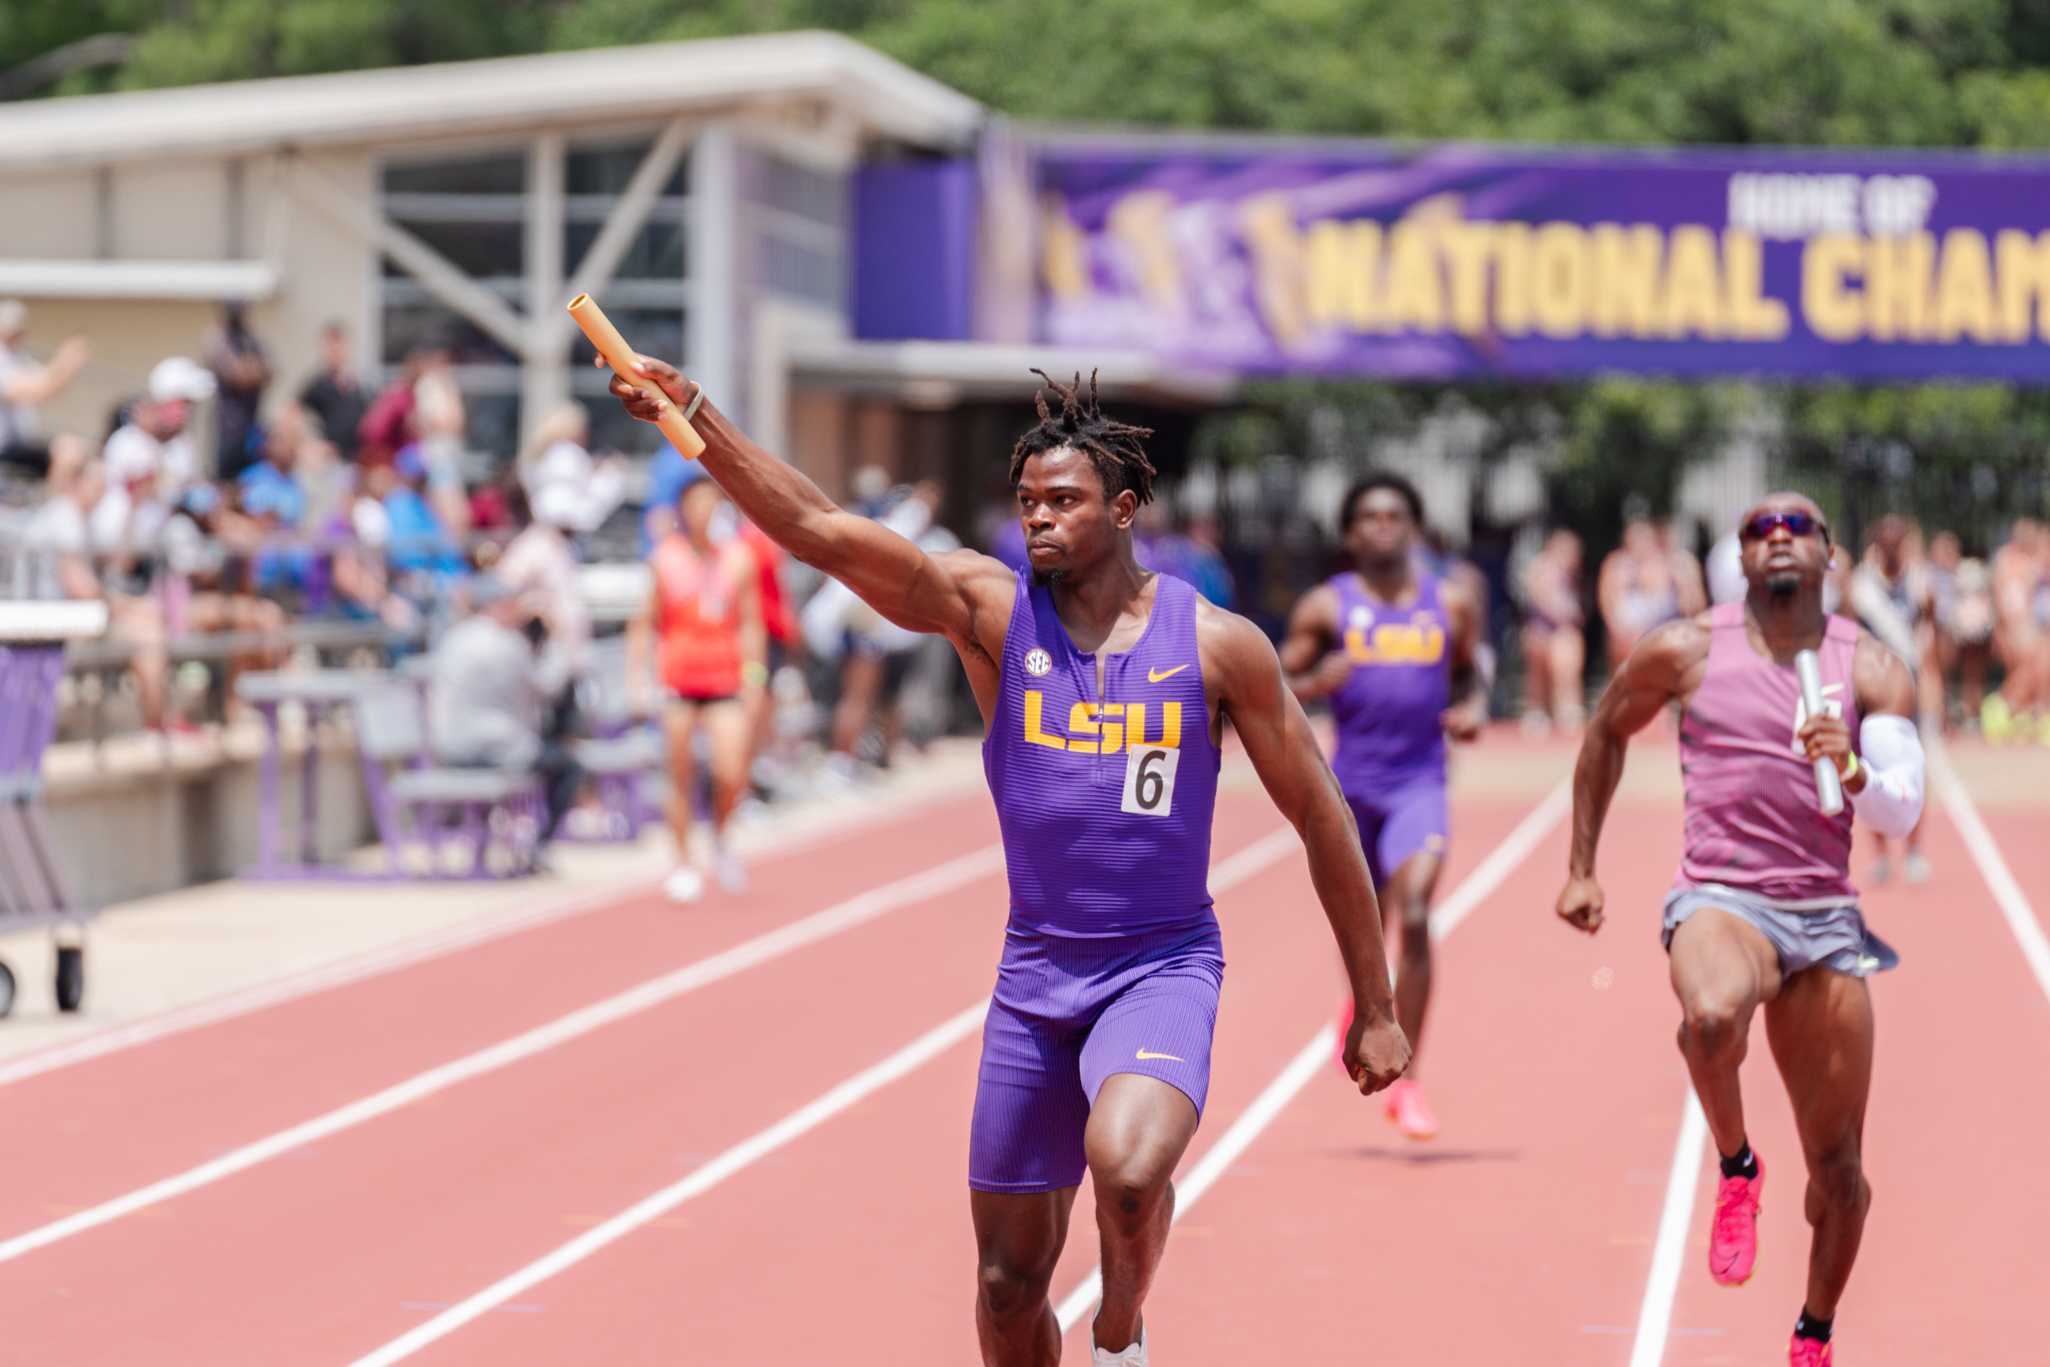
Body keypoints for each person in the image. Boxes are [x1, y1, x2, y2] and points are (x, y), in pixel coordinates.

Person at [604, 358, 1410, 1367]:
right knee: (1004, 1287)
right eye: (1026, 501)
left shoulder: (1216, 646)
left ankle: (1120, 1331)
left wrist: (1374, 1004)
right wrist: (700, 417)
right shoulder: (989, 611)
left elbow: (1323, 817)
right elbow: (816, 529)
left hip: (1158, 964)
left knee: (1124, 1169)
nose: (1036, 520)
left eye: (1062, 501)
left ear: (1122, 509)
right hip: (1035, 979)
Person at [1556, 493, 1924, 1367]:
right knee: (1712, 1017)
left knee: (1840, 1180)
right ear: (1741, 559)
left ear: (1832, 556)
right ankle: (1737, 1166)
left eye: (1800, 528)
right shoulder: (1685, 648)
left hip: (1826, 915)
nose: (1781, 538)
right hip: (1723, 897)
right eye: (1762, 529)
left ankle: (1812, 1334)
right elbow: (1607, 730)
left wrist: (1856, 764)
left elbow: (1903, 810)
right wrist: (1580, 864)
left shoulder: (1871, 665)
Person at [1280, 471, 1489, 1141]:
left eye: (1395, 514)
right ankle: (1367, 1000)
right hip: (1349, 791)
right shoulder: (1326, 606)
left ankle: (1411, 1077)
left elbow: (1467, 672)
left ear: (1415, 526)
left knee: (1420, 911)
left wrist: (1473, 708)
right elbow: (1270, 682)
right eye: (1368, 516)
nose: (1382, 525)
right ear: (1349, 533)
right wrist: (1317, 680)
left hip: (1419, 785)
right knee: (1367, 921)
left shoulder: (1450, 603)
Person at [629, 464, 764, 903]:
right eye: (695, 505)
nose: (703, 512)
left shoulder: (737, 559)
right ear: (684, 510)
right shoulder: (664, 558)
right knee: (680, 774)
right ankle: (684, 861)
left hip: (724, 678)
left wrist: (754, 675)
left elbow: (751, 623)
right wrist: (638, 680)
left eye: (710, 504)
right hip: (679, 680)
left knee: (731, 771)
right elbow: (643, 624)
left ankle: (722, 840)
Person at [429, 576, 579, 851]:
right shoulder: (508, 642)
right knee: (569, 767)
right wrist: (558, 638)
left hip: (449, 748)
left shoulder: (453, 638)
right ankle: (539, 847)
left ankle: (508, 842)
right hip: (491, 751)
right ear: (496, 605)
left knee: (539, 751)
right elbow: (548, 688)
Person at [1846, 517, 1931, 884]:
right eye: (1888, 542)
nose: (1894, 548)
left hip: (1908, 689)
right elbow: (1847, 633)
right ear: (1878, 544)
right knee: (1870, 774)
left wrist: (1931, 682)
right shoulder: (1862, 587)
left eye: (1900, 542)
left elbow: (1930, 631)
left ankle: (1913, 851)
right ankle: (1880, 854)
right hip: (1871, 690)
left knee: (1913, 771)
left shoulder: (1919, 582)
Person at [1600, 515, 1704, 670]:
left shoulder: (1678, 565)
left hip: (1668, 637)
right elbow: (1609, 611)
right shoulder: (1617, 567)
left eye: (1644, 539)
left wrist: (1684, 586)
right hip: (1629, 641)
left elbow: (1696, 609)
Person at [0, 300, 90, 477]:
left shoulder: (18, 358)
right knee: (68, 452)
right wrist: (65, 361)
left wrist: (68, 366)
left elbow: (50, 386)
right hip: (5, 448)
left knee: (75, 449)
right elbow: (36, 390)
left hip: (20, 444)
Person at [1519, 527, 1587, 733]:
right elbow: (1539, 599)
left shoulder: (1571, 575)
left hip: (1562, 632)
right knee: (1539, 672)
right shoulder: (1541, 567)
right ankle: (1537, 710)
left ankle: (1567, 708)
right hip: (1541, 630)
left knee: (1567, 661)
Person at [205, 303, 271, 479]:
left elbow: (270, 371)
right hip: (228, 428)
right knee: (225, 482)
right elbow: (235, 375)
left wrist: (247, 369)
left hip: (252, 426)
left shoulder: (251, 340)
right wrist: (251, 369)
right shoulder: (219, 338)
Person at [298, 321, 368, 464]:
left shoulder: (361, 384)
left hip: (358, 458)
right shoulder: (318, 384)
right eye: (330, 346)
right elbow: (295, 412)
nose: (335, 350)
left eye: (339, 345)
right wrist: (315, 442)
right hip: (331, 461)